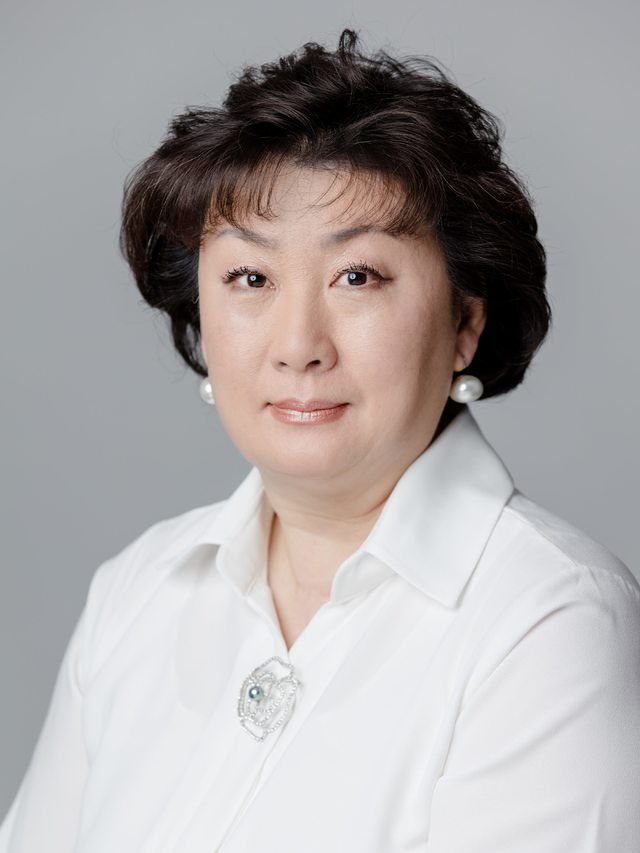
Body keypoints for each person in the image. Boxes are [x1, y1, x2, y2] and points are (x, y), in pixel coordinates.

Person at [1, 28, 638, 853]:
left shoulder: (549, 618)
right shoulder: (137, 592)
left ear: (464, 325)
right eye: (250, 278)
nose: (298, 344)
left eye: (357, 277)